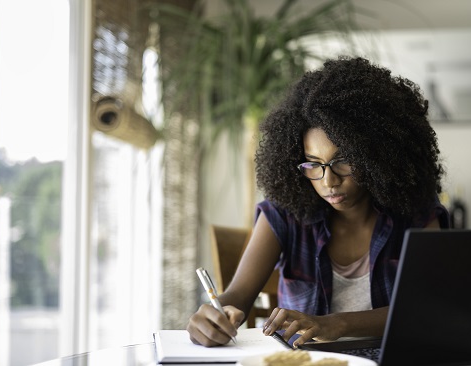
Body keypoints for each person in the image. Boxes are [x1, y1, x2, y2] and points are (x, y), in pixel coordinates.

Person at [186, 56, 450, 348]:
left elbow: (428, 309)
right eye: (313, 164)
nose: (328, 181)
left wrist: (338, 323)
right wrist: (213, 315)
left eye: (344, 161)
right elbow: (238, 297)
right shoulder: (283, 215)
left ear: (377, 156)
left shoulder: (416, 214)